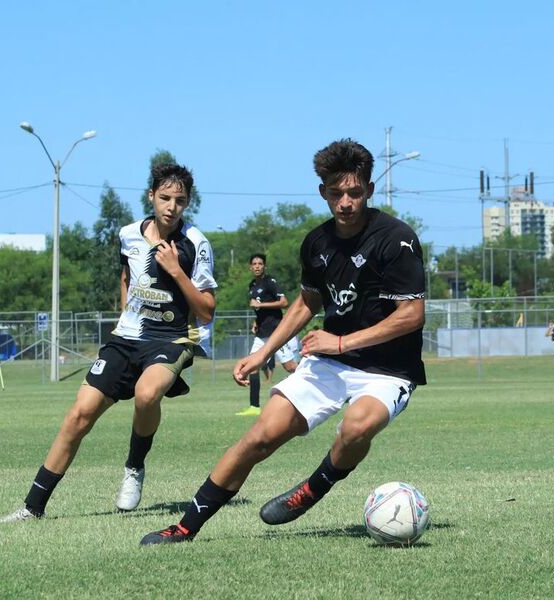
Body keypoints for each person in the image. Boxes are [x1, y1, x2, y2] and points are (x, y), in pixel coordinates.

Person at [140, 138, 426, 545]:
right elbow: (307, 303)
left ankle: (314, 487)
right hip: (329, 363)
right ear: (323, 192)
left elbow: (412, 316)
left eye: (355, 192)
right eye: (336, 193)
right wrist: (263, 352)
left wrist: (341, 344)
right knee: (259, 436)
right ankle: (184, 527)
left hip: (387, 370)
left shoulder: (396, 239)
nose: (346, 202)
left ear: (369, 190)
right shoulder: (317, 243)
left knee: (356, 426)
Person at [0, 163, 217, 522]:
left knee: (147, 394)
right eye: (164, 197)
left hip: (170, 338)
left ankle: (134, 467)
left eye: (179, 200)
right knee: (78, 415)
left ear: (187, 202)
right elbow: (127, 275)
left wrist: (176, 271)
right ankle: (31, 507)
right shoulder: (129, 233)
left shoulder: (196, 244)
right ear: (151, 196)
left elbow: (207, 310)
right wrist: (124, 316)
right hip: (126, 338)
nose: (171, 206)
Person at [235, 253, 297, 416]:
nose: (257, 266)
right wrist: (256, 322)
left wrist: (261, 304)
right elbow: (259, 309)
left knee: (291, 367)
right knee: (252, 368)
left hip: (276, 332)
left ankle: (314, 388)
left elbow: (284, 302)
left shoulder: (270, 282)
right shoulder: (252, 285)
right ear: (250, 267)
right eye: (254, 263)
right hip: (261, 334)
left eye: (260, 263)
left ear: (264, 266)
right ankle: (254, 407)